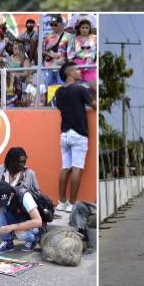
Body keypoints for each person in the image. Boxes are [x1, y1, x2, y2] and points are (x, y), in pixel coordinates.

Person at [54, 61, 94, 212]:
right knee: (77, 168)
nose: (79, 71)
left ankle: (61, 202)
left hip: (64, 134)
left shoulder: (59, 92)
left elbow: (59, 107)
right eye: (76, 70)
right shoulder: (80, 89)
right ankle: (71, 204)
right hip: (79, 134)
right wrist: (95, 90)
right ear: (69, 73)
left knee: (65, 168)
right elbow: (94, 105)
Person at [0, 181, 45, 254]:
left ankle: (34, 239)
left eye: (4, 202)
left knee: (20, 233)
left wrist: (10, 227)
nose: (2, 204)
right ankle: (7, 242)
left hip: (30, 223)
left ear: (11, 195)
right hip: (16, 218)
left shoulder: (25, 196)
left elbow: (38, 222)